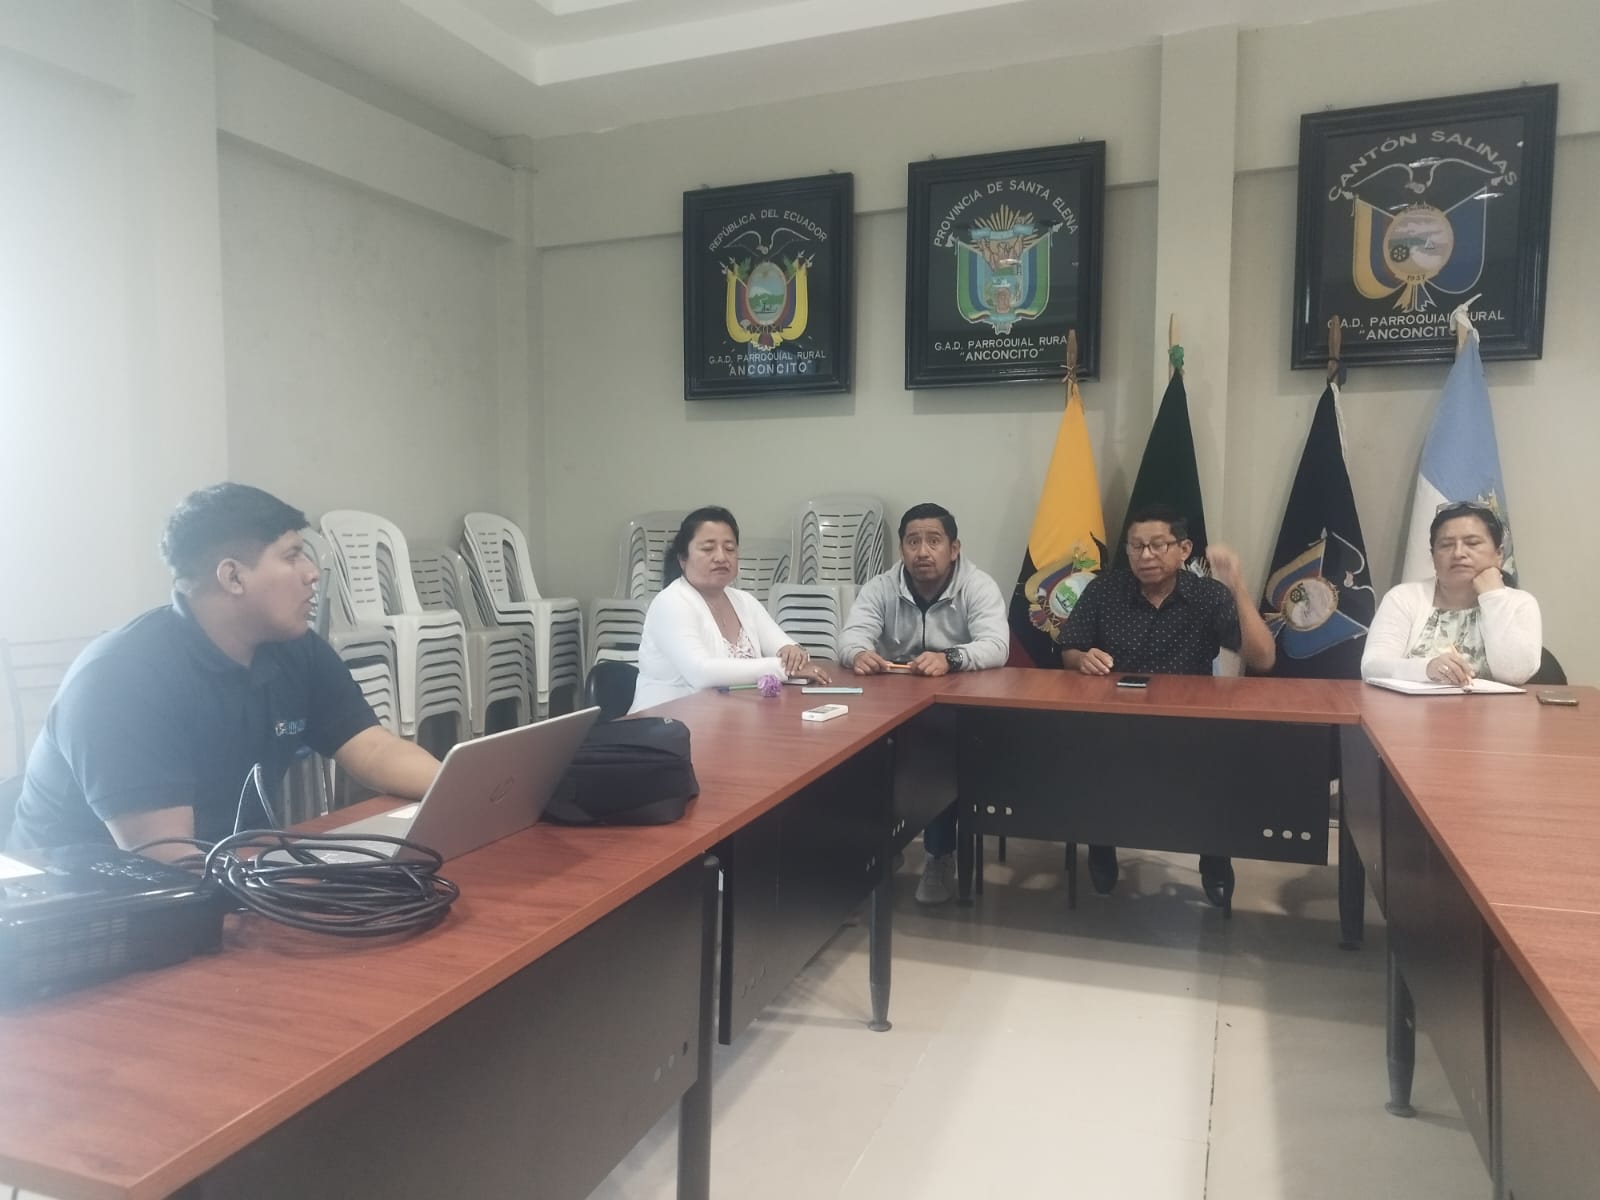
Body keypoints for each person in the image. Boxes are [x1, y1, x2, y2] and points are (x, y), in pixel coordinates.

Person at [8, 484, 441, 861]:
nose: (312, 573)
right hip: (87, 909)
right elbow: (168, 857)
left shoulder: (294, 648)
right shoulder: (121, 678)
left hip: (228, 867)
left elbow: (373, 749)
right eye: (292, 556)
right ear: (233, 576)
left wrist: (459, 791)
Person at [1057, 503, 1276, 906]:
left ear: (1184, 549)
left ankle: (1214, 854)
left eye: (1158, 545)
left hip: (1189, 723)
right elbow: (1069, 648)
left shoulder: (1208, 595)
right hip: (1116, 720)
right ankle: (1101, 842)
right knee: (1088, 755)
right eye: (1136, 546)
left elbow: (1263, 658)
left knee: (1219, 765)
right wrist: (1082, 658)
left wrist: (1237, 586)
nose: (1146, 556)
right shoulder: (1104, 590)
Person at [837, 502, 1008, 905]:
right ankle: (880, 851)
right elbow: (849, 637)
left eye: (934, 541)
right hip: (893, 707)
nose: (923, 552)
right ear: (902, 549)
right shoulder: (881, 587)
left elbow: (997, 646)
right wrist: (858, 653)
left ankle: (939, 855)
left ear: (954, 548)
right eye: (913, 542)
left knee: (938, 762)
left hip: (957, 710)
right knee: (862, 760)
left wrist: (951, 658)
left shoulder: (977, 586)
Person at [630, 507, 831, 712]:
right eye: (708, 549)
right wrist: (781, 668)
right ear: (683, 558)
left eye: (729, 548)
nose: (721, 557)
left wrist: (794, 652)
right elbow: (701, 672)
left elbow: (785, 647)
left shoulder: (744, 600)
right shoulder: (671, 602)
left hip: (727, 718)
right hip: (666, 722)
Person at [1362, 501, 1540, 685]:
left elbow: (1515, 674)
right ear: (1433, 557)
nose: (1458, 553)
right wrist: (1427, 668)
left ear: (1499, 554)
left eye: (1472, 543)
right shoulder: (1404, 598)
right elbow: (1372, 667)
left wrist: (1493, 597)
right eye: (1446, 545)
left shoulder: (1521, 603)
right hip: (1412, 705)